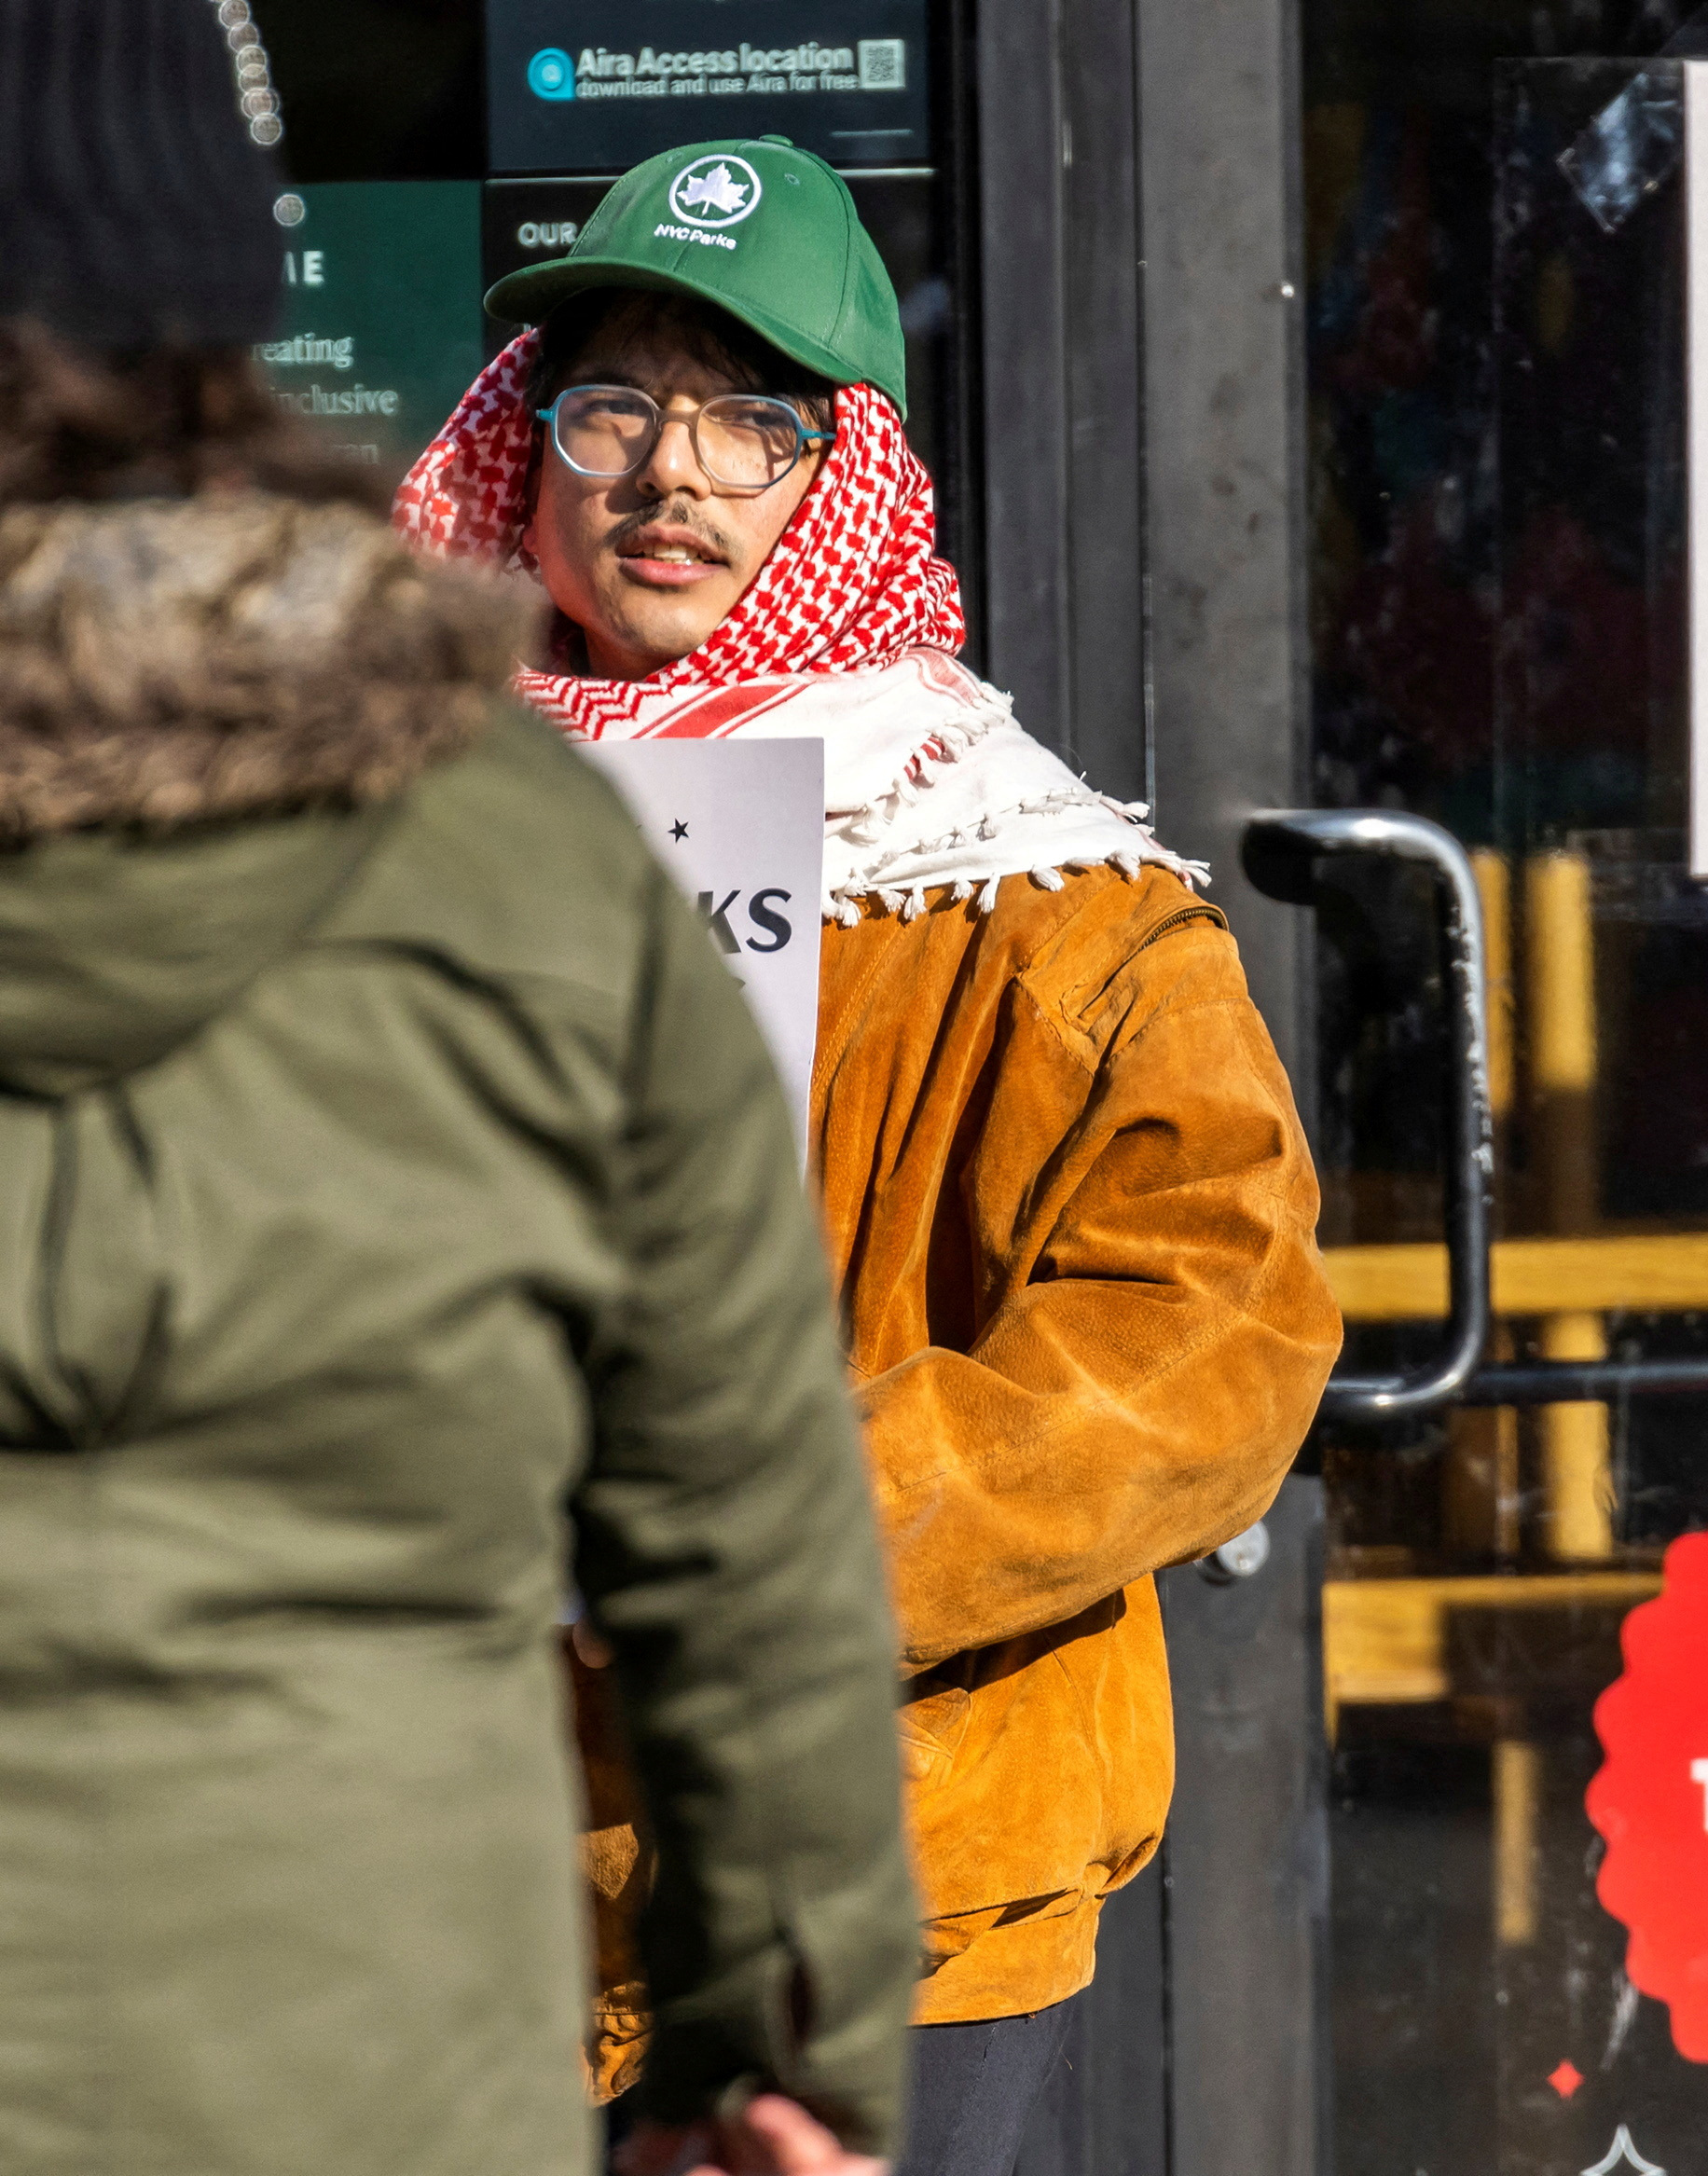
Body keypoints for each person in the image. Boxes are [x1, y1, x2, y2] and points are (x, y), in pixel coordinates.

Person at [0, 10, 919, 2176]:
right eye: (617, 406)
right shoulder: (519, 842)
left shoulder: (922, 843)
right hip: (384, 2059)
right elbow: (746, 1526)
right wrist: (781, 2051)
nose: (672, 475)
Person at [396, 136, 1343, 2175]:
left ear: (843, 483)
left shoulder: (1027, 889)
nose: (674, 472)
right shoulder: (363, 843)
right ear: (523, 451)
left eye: (755, 418)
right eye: (615, 402)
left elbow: (1221, 1337)